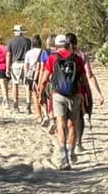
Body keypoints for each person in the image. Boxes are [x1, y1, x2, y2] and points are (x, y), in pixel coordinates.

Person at [37, 33, 87, 170]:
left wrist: (40, 93)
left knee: (60, 124)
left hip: (58, 94)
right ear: (67, 44)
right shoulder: (76, 58)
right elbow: (84, 79)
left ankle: (64, 156)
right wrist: (85, 94)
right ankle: (71, 153)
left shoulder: (52, 58)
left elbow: (45, 78)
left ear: (56, 46)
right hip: (75, 94)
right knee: (72, 124)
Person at [66, 32, 105, 153]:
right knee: (80, 116)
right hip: (81, 90)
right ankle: (78, 143)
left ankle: (68, 142)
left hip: (63, 90)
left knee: (66, 117)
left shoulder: (59, 55)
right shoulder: (81, 56)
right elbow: (89, 75)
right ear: (76, 43)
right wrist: (99, 93)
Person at [7, 24, 31, 113]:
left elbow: (9, 55)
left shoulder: (11, 41)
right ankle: (28, 106)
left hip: (16, 64)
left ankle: (16, 105)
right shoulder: (28, 41)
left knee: (15, 84)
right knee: (27, 85)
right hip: (26, 63)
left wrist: (7, 67)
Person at [23, 34, 43, 116]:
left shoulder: (29, 52)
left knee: (29, 90)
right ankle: (41, 108)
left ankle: (29, 105)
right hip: (40, 72)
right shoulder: (42, 52)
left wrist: (25, 75)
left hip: (31, 72)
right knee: (39, 91)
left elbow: (26, 65)